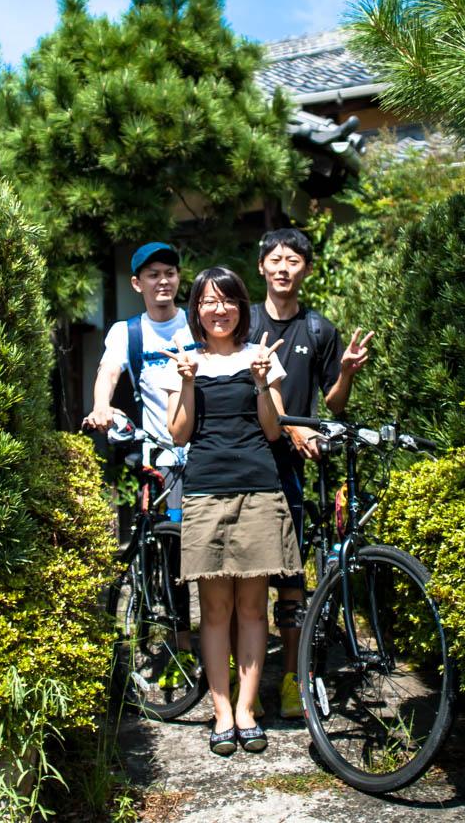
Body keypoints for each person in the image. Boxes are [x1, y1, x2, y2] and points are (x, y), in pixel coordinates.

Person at [160, 267, 302, 756]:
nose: (218, 309)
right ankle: (221, 712)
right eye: (208, 301)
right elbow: (179, 433)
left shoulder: (260, 356)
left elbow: (273, 430)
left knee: (253, 609)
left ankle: (245, 710)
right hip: (205, 492)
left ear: (242, 306)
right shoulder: (184, 361)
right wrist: (186, 382)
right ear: (196, 309)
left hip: (259, 489)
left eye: (228, 301)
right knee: (215, 610)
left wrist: (262, 381)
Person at [249, 227, 373, 718]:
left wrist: (345, 374)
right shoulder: (244, 321)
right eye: (276, 259)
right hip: (247, 458)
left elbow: (334, 405)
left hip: (294, 466)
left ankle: (292, 678)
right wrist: (293, 426)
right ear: (261, 265)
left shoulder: (318, 329)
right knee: (245, 575)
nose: (284, 268)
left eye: (294, 261)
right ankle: (244, 678)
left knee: (291, 576)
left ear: (307, 269)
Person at [85, 240, 199, 684]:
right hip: (159, 457)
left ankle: (207, 644)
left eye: (169, 272)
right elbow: (108, 373)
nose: (163, 281)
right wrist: (101, 406)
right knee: (167, 553)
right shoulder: (126, 332)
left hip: (204, 452)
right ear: (137, 284)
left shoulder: (196, 323)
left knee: (206, 552)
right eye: (153, 275)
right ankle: (177, 646)